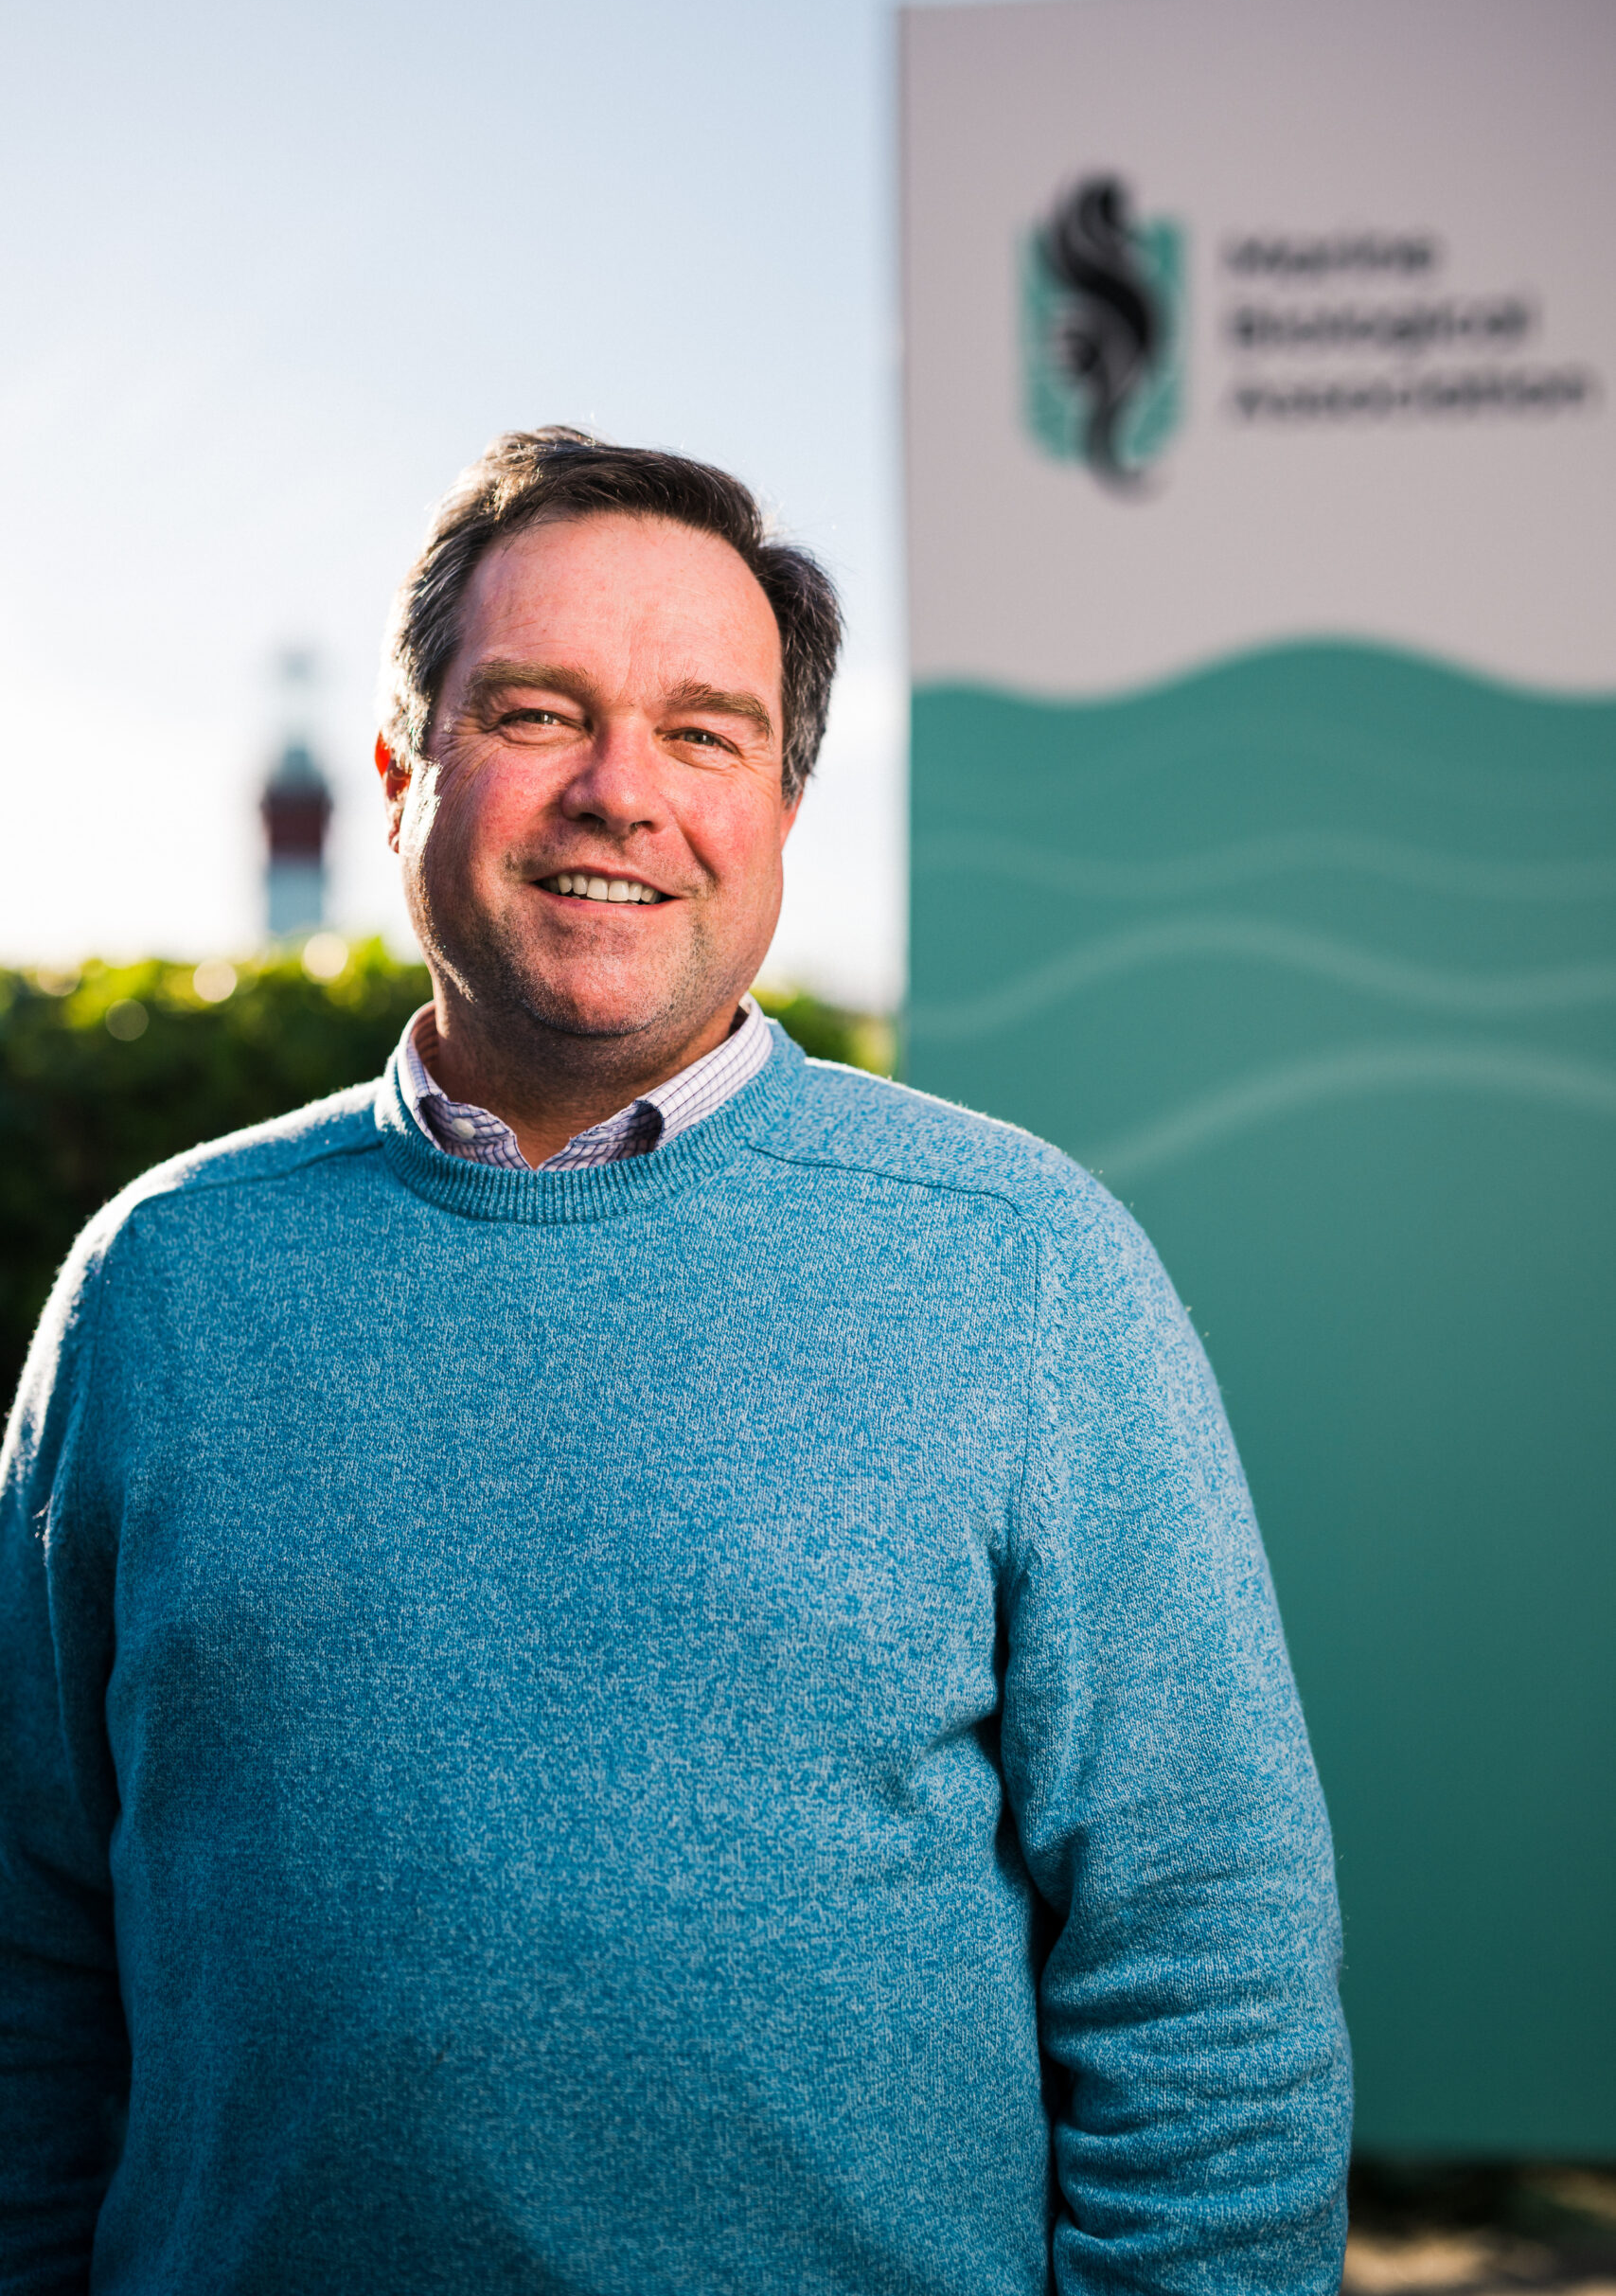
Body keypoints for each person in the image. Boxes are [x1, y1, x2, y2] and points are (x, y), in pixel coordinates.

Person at [0, 429, 1351, 2293]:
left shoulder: (1022, 1266)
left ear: (780, 809)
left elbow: (1204, 1965)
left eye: (702, 729)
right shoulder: (159, 1284)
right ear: (401, 773)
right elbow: (30, 1940)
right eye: (539, 712)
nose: (619, 794)